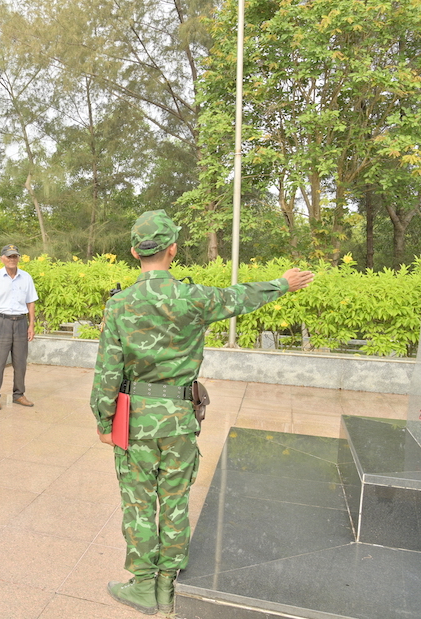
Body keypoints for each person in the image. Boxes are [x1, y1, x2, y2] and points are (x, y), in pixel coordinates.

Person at [91, 210, 314, 616]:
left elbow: (108, 370)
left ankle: (143, 587)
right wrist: (282, 284)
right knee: (174, 501)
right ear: (172, 250)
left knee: (139, 504)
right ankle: (167, 586)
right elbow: (240, 296)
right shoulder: (195, 298)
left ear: (133, 251)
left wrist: (104, 420)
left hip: (135, 420)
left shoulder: (120, 305)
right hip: (179, 418)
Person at [0, 244, 38, 410]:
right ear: (2, 259)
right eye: (9, 256)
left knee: (20, 362)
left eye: (15, 256)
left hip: (21, 323)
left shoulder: (26, 277)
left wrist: (31, 325)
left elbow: (31, 303)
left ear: (18, 258)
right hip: (1, 322)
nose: (12, 259)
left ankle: (19, 394)